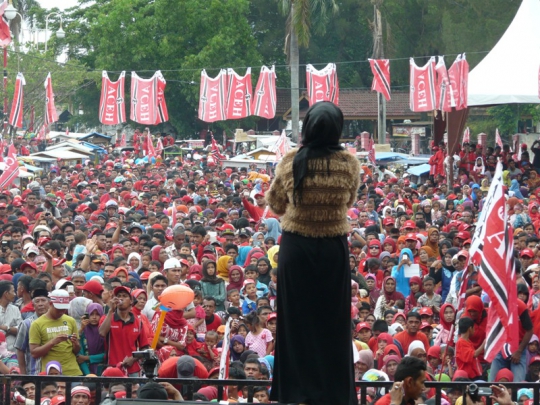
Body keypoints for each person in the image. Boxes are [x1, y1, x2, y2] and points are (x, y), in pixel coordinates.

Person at [266, 102, 360, 405]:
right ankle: (334, 394)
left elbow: (276, 205)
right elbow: (348, 203)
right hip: (332, 248)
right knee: (333, 325)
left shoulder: (290, 161)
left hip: (296, 248)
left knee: (295, 324)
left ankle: (295, 393)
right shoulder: (349, 164)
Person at [98, 286, 150, 377]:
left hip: (133, 370)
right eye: (118, 296)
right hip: (112, 368)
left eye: (124, 296)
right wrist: (111, 311)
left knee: (134, 391)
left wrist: (133, 359)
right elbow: (102, 333)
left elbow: (144, 347)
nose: (120, 298)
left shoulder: (138, 322)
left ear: (131, 301)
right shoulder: (107, 318)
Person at [28, 289, 82, 375]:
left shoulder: (70, 320)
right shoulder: (37, 324)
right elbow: (34, 353)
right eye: (58, 309)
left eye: (64, 309)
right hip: (51, 373)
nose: (61, 312)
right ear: (50, 304)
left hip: (72, 371)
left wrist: (76, 344)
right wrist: (53, 342)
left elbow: (76, 350)